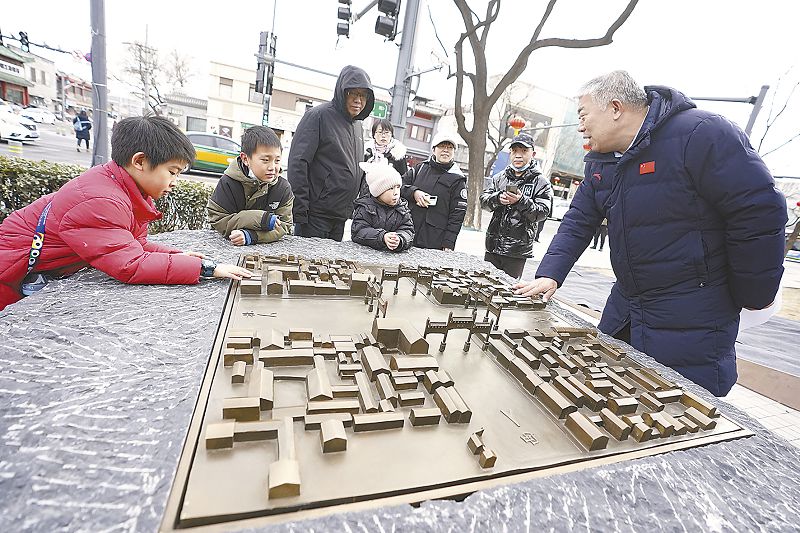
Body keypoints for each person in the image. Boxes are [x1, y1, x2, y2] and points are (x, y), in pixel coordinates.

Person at [514, 70, 787, 397]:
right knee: (606, 395)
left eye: (584, 115)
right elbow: (579, 219)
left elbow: (758, 209)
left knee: (679, 414)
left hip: (692, 316)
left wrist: (754, 294)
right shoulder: (601, 162)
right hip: (626, 307)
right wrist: (550, 274)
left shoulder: (702, 133)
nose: (581, 126)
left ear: (615, 108)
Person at [0, 116, 251, 311]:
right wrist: (206, 268)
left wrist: (178, 254)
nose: (175, 181)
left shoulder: (124, 187)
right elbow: (130, 264)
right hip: (9, 273)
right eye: (172, 171)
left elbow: (132, 245)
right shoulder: (100, 200)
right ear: (139, 161)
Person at [288, 65, 374, 241]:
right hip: (315, 215)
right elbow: (298, 162)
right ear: (342, 92)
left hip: (340, 216)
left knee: (331, 267)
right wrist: (300, 209)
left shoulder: (357, 126)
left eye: (363, 95)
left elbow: (356, 168)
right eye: (353, 93)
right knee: (309, 265)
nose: (359, 100)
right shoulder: (318, 116)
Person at [480, 133, 552, 278]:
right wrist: (497, 199)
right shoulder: (499, 177)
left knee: (506, 292)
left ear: (533, 153)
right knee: (484, 285)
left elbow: (542, 212)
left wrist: (521, 201)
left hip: (517, 250)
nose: (518, 155)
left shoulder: (541, 182)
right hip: (493, 246)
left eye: (524, 151)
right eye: (514, 151)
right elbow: (483, 201)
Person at [207, 126, 293, 246]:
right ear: (245, 159)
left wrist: (251, 236)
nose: (272, 167)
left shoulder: (283, 188)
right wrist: (261, 219)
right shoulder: (228, 182)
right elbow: (219, 219)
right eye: (265, 160)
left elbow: (284, 225)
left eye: (277, 161)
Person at [400, 131, 468, 251]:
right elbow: (399, 186)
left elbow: (457, 215)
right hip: (407, 231)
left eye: (450, 147)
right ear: (433, 149)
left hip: (434, 240)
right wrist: (414, 193)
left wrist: (448, 243)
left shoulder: (458, 179)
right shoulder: (419, 169)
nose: (446, 150)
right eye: (442, 146)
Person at [351, 161, 414, 252]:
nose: (396, 193)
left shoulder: (402, 209)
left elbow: (408, 230)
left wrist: (400, 239)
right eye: (391, 188)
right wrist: (382, 236)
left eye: (398, 187)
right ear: (378, 191)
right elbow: (359, 231)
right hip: (365, 254)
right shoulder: (365, 208)